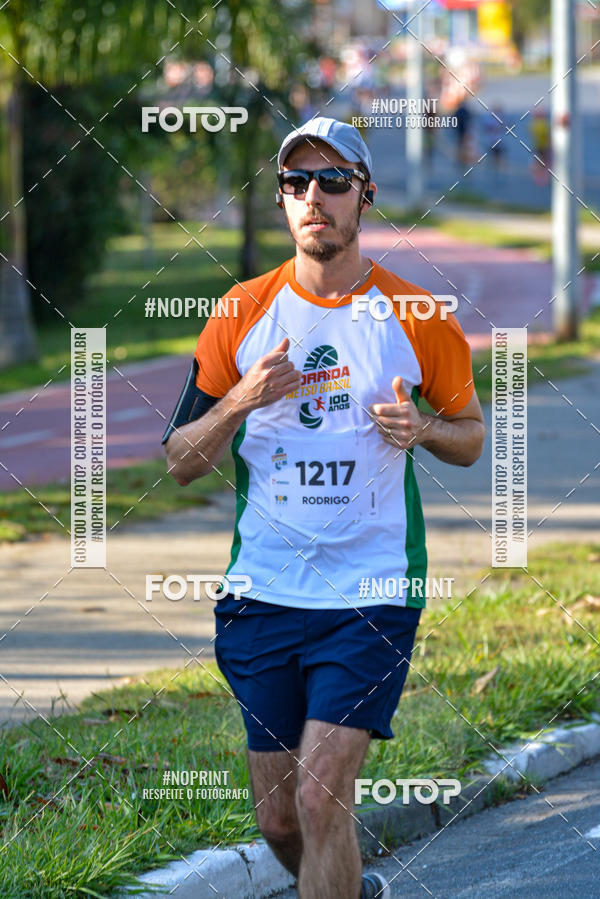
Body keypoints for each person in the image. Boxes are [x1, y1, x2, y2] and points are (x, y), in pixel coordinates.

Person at [162, 117, 485, 899]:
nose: (314, 197)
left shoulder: (417, 317)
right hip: (262, 594)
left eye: (333, 180)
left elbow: (472, 439)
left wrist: (423, 429)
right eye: (296, 183)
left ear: (364, 198)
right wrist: (240, 398)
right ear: (282, 201)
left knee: (319, 794)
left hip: (371, 591)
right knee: (280, 819)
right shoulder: (242, 313)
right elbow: (179, 459)